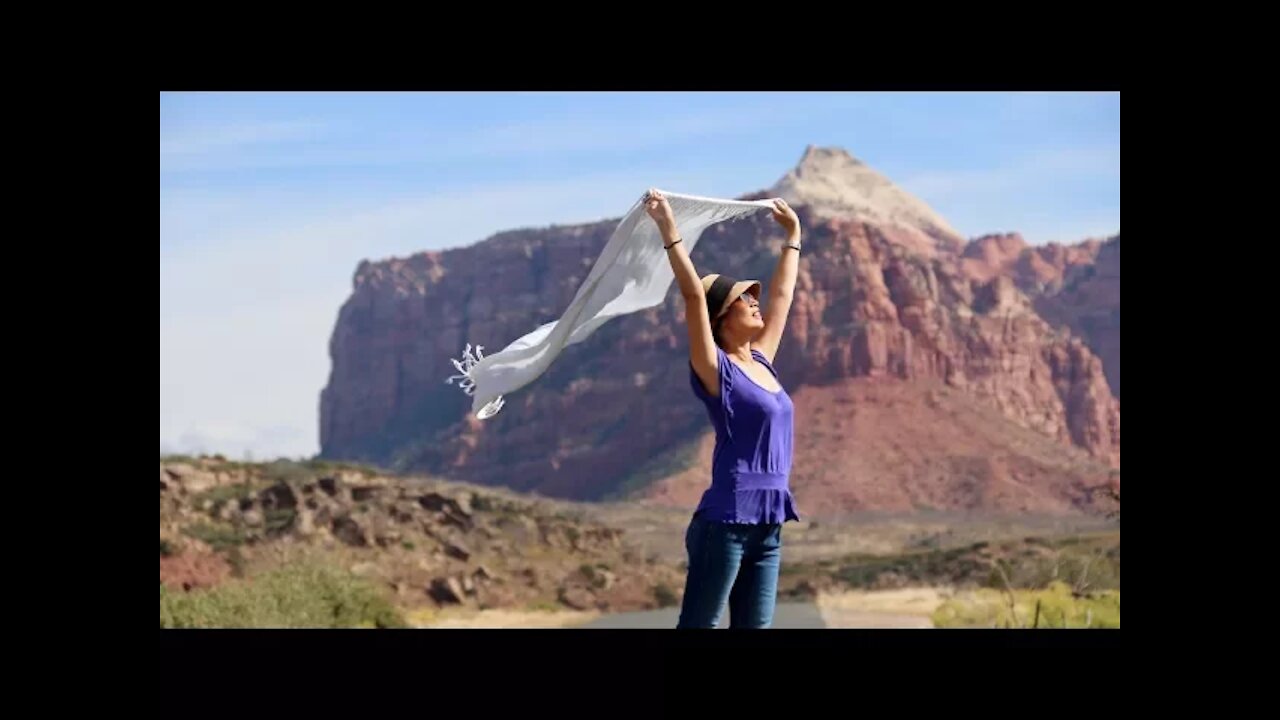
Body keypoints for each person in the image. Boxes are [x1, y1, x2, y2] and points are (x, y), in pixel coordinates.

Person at [643, 188, 803, 629]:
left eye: (754, 297)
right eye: (742, 299)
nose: (755, 302)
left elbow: (783, 297)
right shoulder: (716, 370)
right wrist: (669, 228)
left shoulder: (763, 360)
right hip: (725, 523)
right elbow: (694, 297)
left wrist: (793, 236)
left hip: (768, 525)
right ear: (720, 319)